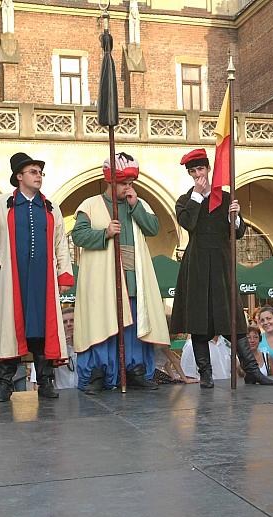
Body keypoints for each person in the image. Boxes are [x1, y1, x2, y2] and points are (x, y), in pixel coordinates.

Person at [170, 149, 273, 389]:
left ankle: (251, 370)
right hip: (196, 265)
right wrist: (197, 196)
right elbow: (188, 223)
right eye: (193, 171)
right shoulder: (185, 201)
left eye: (201, 169)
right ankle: (205, 374)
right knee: (198, 322)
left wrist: (235, 217)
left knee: (232, 319)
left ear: (208, 169)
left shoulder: (226, 198)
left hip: (221, 264)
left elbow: (238, 233)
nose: (199, 175)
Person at [72, 152, 169, 393]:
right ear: (111, 181)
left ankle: (135, 370)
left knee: (134, 325)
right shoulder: (90, 205)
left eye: (130, 183)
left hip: (133, 277)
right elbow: (78, 235)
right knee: (102, 324)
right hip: (102, 280)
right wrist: (104, 233)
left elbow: (153, 228)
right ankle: (99, 373)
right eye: (124, 183)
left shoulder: (139, 204)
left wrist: (135, 206)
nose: (128, 188)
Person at [0, 152, 74, 401]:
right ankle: (4, 382)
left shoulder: (50, 208)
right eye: (33, 172)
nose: (38, 176)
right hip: (13, 278)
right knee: (11, 327)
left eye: (40, 172)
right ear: (19, 176)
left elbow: (61, 241)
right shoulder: (1, 205)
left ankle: (45, 381)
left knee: (42, 327)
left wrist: (64, 274)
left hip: (43, 278)